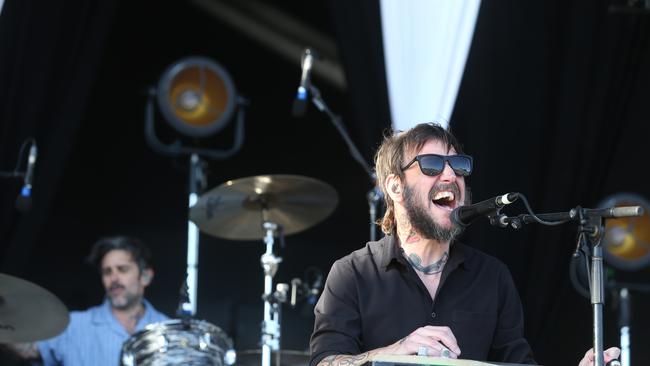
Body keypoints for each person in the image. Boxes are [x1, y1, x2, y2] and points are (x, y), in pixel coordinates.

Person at [309, 123, 620, 366]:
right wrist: (395, 352)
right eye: (431, 164)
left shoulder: (492, 277)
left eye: (457, 164)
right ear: (395, 186)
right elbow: (325, 362)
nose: (450, 173)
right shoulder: (352, 274)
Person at [12, 235, 168, 366]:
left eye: (122, 269)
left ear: (146, 276)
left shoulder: (169, 331)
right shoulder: (73, 325)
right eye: (107, 272)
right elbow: (28, 350)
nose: (113, 278)